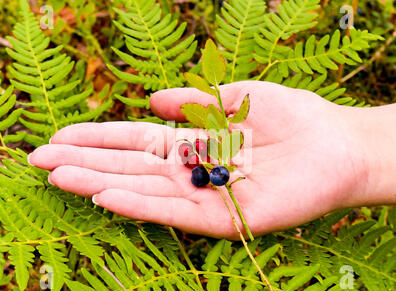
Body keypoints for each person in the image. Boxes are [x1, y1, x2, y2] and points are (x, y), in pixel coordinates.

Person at [27, 81, 396, 240]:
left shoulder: (216, 170)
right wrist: (355, 141)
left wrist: (352, 146)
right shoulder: (205, 167)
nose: (209, 171)